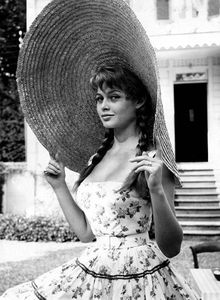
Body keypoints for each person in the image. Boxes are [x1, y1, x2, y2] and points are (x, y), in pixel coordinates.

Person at [1, 65, 200, 299]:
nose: (103, 106)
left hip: (140, 276)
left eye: (114, 97)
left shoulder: (153, 157)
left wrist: (156, 189)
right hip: (95, 268)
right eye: (99, 98)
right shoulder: (97, 157)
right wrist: (59, 186)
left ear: (137, 101)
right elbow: (86, 233)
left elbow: (172, 247)